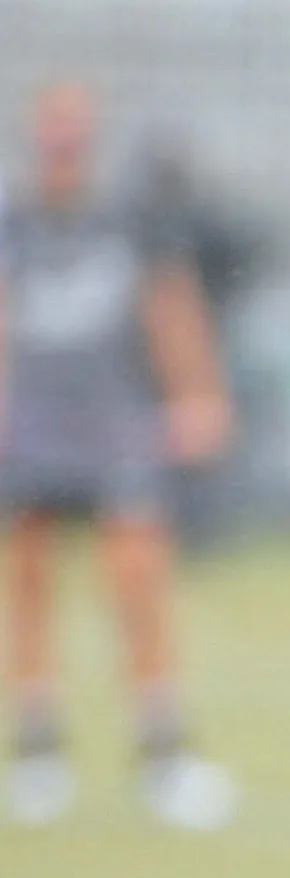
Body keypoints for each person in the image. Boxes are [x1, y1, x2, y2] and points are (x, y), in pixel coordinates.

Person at [0, 82, 238, 829]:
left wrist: (198, 395)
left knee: (138, 580)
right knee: (30, 580)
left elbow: (171, 309)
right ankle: (38, 749)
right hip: (34, 427)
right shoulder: (15, 226)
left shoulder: (128, 225)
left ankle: (163, 752)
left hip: (115, 424)